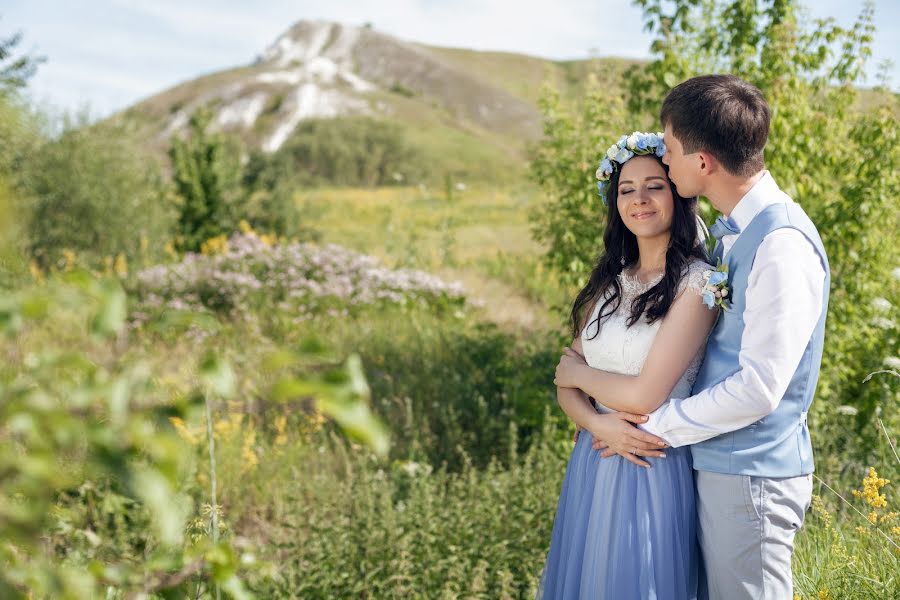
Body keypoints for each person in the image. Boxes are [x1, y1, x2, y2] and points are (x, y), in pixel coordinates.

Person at [593, 75, 830, 599]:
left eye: (671, 150)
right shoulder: (733, 233)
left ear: (702, 163)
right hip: (719, 467)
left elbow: (759, 388)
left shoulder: (780, 245)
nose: (666, 162)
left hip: (753, 477)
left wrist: (658, 425)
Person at [535, 131, 718, 599]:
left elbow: (643, 395)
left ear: (678, 192)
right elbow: (562, 387)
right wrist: (597, 423)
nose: (639, 199)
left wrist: (579, 377)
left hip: (649, 460)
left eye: (654, 186)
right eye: (626, 189)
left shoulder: (697, 285)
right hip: (596, 458)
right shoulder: (613, 279)